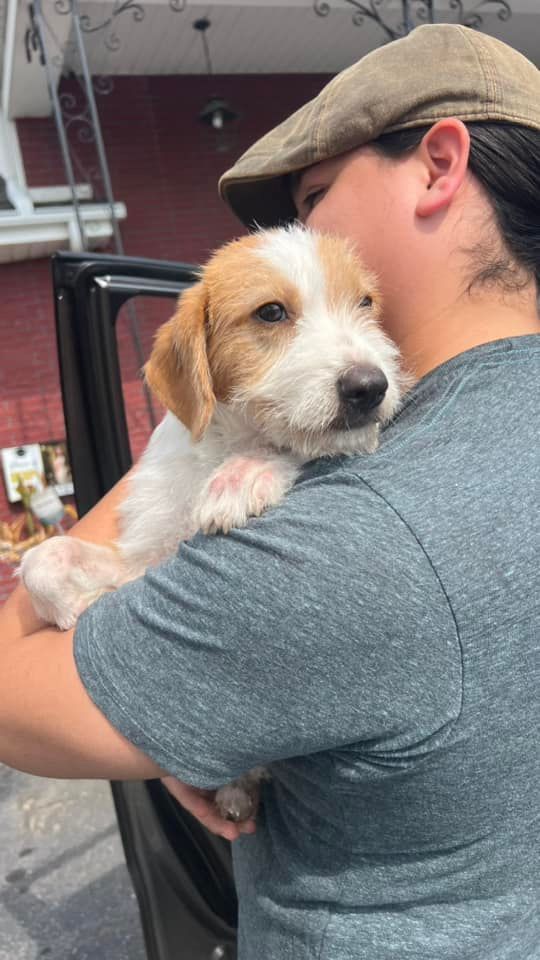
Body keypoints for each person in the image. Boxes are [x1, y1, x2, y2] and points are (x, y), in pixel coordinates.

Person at [1, 22, 539, 960]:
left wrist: (170, 711)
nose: (296, 231)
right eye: (275, 310)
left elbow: (14, 701)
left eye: (315, 196)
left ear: (438, 164)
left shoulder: (347, 540)